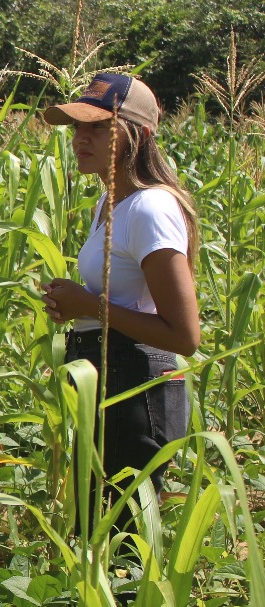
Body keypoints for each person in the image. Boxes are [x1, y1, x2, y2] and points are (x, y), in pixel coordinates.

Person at [39, 72, 199, 521]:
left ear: (138, 134)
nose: (80, 139)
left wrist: (89, 307)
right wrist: (73, 306)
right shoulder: (111, 203)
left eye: (98, 128)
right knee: (96, 531)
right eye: (77, 128)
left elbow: (184, 335)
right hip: (106, 375)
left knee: (121, 541)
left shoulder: (150, 208)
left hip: (136, 386)